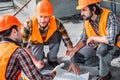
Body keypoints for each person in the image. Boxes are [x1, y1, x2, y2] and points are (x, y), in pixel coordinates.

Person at [66, 0, 120, 80]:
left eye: (84, 10)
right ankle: (104, 66)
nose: (81, 13)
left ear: (93, 9)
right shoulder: (87, 20)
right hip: (98, 47)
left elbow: (111, 40)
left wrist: (93, 38)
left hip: (115, 47)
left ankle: (105, 75)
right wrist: (74, 50)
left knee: (102, 48)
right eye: (81, 10)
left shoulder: (109, 16)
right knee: (75, 58)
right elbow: (84, 39)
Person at [0, 15, 55, 80]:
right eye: (20, 29)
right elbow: (37, 79)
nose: (22, 33)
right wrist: (54, 73)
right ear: (14, 31)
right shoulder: (18, 52)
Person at [21, 0, 73, 67]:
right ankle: (40, 55)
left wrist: (69, 47)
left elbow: (64, 34)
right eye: (41, 16)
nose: (43, 20)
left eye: (46, 17)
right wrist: (35, 61)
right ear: (36, 15)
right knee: (38, 63)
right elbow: (24, 47)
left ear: (50, 16)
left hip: (49, 39)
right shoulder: (28, 24)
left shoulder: (55, 21)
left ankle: (52, 59)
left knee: (57, 34)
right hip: (35, 42)